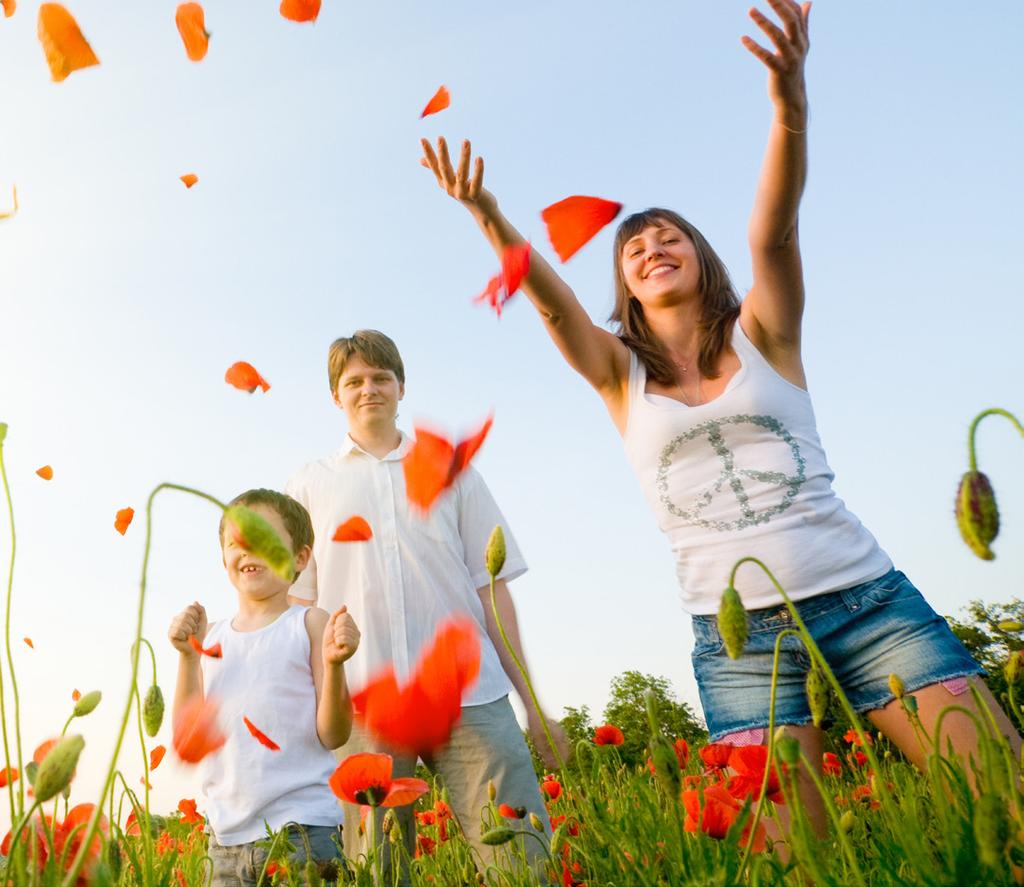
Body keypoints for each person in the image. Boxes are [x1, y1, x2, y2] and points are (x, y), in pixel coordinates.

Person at [419, 0, 1019, 829]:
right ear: (625, 285)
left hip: (867, 602)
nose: (651, 248)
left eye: (669, 238)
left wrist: (789, 108)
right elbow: (556, 311)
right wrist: (487, 213)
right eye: (633, 248)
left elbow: (773, 234)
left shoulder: (766, 332)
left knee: (1005, 793)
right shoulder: (617, 374)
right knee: (792, 855)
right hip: (737, 640)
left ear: (701, 258)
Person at [285, 329, 562, 876]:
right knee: (379, 870)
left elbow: (493, 588)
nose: (369, 389)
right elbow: (300, 609)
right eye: (354, 381)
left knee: (522, 861)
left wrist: (532, 703)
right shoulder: (309, 484)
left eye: (381, 378)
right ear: (334, 396)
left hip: (470, 695)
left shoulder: (453, 471)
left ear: (402, 387)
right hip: (365, 702)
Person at [168, 489, 361, 887]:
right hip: (223, 841)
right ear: (224, 558)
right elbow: (189, 737)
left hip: (303, 833)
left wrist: (335, 665)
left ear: (300, 558)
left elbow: (334, 733)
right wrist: (188, 658)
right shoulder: (212, 638)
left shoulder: (309, 623)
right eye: (236, 542)